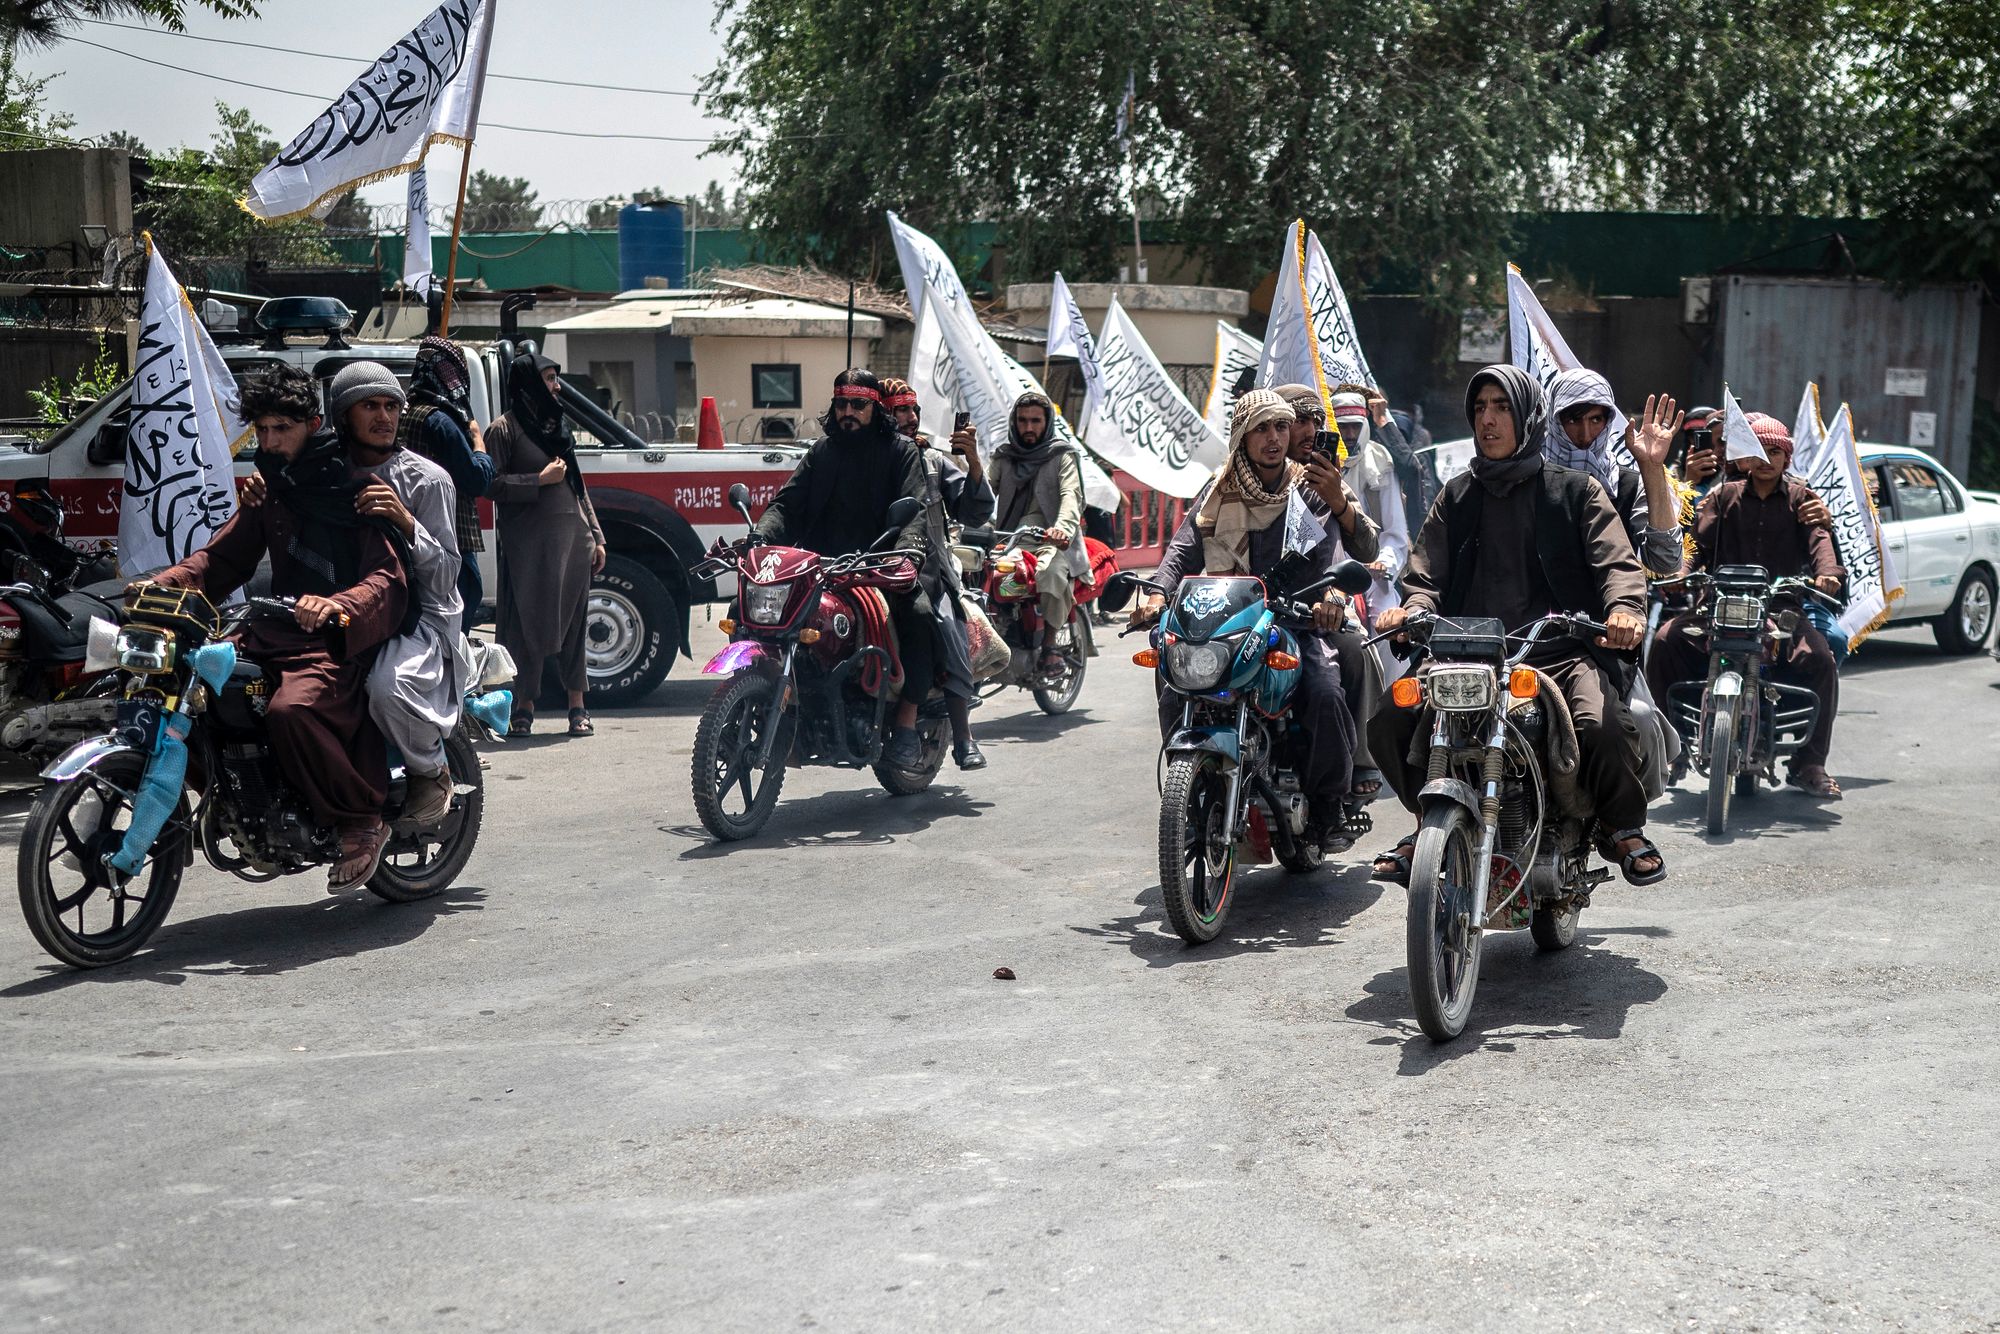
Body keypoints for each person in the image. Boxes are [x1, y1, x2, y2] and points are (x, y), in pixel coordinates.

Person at [1369, 365, 1665, 887]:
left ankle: (1620, 827)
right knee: (1392, 717)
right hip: (1467, 653)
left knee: (1602, 726)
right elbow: (1424, 574)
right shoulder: (1457, 495)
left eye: (1501, 407)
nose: (1488, 419)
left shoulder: (1576, 492)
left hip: (1559, 651)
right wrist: (1411, 609)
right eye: (1480, 408)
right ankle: (1428, 820)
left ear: (1527, 416)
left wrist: (1623, 611)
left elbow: (1618, 565)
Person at [150, 366, 411, 890]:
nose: (269, 441)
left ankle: (361, 821)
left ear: (313, 424)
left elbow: (387, 577)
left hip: (334, 639)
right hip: (270, 631)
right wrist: (162, 585)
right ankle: (236, 797)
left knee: (291, 710)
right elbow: (221, 561)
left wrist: (337, 604)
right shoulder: (269, 489)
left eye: (281, 430)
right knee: (194, 692)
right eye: (262, 430)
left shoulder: (354, 488)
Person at [1132, 389, 1358, 853]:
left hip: (1295, 620)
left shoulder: (1309, 491)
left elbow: (1332, 550)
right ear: (1242, 435)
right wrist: (1156, 594)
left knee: (1324, 693)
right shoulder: (1219, 489)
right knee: (1174, 673)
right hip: (1227, 620)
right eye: (1261, 428)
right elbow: (1181, 549)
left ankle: (1328, 807)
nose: (1274, 438)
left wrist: (1333, 593)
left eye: (1280, 427)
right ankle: (1191, 777)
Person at [1646, 412, 1846, 798]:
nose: (1768, 459)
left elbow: (1821, 542)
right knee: (1666, 641)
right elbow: (1696, 547)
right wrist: (1678, 572)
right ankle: (1671, 751)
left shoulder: (1803, 498)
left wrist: (1828, 573)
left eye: (1776, 452)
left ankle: (1809, 764)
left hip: (1780, 611)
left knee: (1821, 659)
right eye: (1760, 451)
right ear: (1746, 457)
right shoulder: (1723, 495)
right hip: (1719, 605)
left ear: (1787, 458)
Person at [749, 369, 932, 770]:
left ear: (875, 407)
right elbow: (786, 504)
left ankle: (905, 720)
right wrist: (760, 537)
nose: (849, 412)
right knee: (750, 615)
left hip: (880, 567)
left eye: (859, 405)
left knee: (918, 615)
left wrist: (907, 556)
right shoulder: (822, 453)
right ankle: (781, 710)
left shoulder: (901, 451)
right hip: (822, 568)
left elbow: (916, 509)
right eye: (842, 404)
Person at [327, 362, 468, 827]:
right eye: (369, 406)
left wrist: (407, 524)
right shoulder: (328, 472)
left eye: (391, 406)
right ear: (343, 415)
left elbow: (448, 574)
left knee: (385, 688)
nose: (384, 416)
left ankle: (431, 771)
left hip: (421, 620)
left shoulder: (427, 479)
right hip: (349, 610)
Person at [1274, 383, 1387, 800]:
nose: (1307, 431)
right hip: (1256, 612)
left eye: (1315, 422)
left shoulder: (1328, 480)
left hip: (1322, 610)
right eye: (1297, 421)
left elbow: (1364, 547)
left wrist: (1338, 500)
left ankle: (1358, 762)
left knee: (1356, 653)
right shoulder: (1244, 476)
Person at [486, 353, 605, 737]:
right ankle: (524, 707)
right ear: (529, 382)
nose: (556, 385)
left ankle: (577, 707)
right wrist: (539, 480)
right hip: (529, 548)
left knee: (574, 625)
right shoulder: (502, 430)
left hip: (574, 542)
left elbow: (577, 487)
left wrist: (598, 537)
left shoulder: (557, 427)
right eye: (550, 378)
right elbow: (492, 486)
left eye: (556, 378)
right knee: (528, 624)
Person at [881, 376, 993, 770]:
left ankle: (962, 736)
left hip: (926, 568)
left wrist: (972, 460)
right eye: (900, 411)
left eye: (913, 410)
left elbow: (975, 510)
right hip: (863, 568)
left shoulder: (932, 460)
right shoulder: (866, 461)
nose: (910, 418)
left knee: (944, 624)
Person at [1545, 369, 1687, 577]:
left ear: (1608, 420)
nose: (1586, 435)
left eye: (1595, 420)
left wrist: (1652, 467)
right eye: (1573, 421)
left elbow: (1666, 562)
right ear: (1555, 420)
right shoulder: (1532, 477)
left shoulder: (1627, 485)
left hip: (1617, 608)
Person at [989, 392, 1089, 679]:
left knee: (1050, 573)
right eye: (1022, 421)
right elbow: (982, 493)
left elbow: (1071, 495)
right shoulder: (1004, 456)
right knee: (988, 577)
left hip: (1053, 540)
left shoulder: (1062, 455)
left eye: (1035, 421)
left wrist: (1062, 528)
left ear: (1047, 423)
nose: (1029, 428)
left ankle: (1050, 646)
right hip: (1011, 537)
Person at [399, 336, 495, 632]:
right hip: (452, 534)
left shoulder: (405, 414)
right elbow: (476, 480)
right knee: (461, 605)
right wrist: (478, 441)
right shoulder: (443, 422)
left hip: (417, 533)